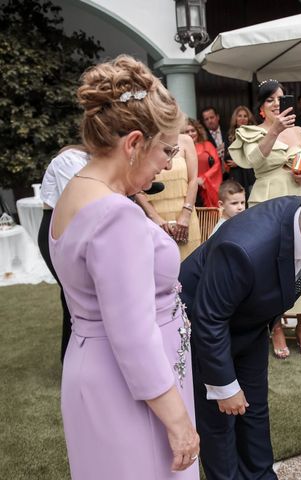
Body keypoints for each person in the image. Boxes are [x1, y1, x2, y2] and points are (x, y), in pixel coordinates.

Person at [49, 55, 199, 479]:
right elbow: (131, 334)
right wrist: (178, 422)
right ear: (133, 143)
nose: (169, 165)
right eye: (166, 150)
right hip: (131, 392)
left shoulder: (74, 193)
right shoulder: (118, 215)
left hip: (94, 372)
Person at [179, 178, 301, 480]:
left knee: (254, 411)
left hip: (252, 323)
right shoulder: (243, 249)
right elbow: (209, 319)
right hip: (204, 330)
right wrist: (224, 386)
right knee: (220, 420)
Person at [229, 79, 301, 359]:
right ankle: (276, 324)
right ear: (261, 107)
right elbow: (255, 162)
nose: (277, 103)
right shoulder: (250, 132)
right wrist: (276, 130)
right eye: (270, 100)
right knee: (269, 263)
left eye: (281, 98)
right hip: (266, 198)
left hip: (296, 197)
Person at [38, 145, 88, 363]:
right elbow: (81, 207)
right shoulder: (70, 159)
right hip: (60, 228)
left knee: (72, 298)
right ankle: (73, 360)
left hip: (79, 228)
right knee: (75, 297)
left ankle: (70, 357)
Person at [136, 132, 202, 260]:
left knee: (190, 266)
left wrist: (186, 215)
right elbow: (136, 186)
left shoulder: (186, 140)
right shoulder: (144, 142)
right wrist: (154, 217)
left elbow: (193, 180)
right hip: (154, 217)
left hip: (186, 217)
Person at [184, 117, 223, 207]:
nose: (190, 134)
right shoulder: (181, 149)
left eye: (193, 130)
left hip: (206, 188)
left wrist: (203, 178)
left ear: (198, 131)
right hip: (188, 188)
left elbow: (217, 164)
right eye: (187, 131)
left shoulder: (207, 145)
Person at [225, 105, 257, 198]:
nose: (242, 118)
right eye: (239, 116)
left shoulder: (254, 133)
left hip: (250, 174)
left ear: (249, 118)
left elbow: (255, 155)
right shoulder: (230, 135)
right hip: (237, 175)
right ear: (235, 118)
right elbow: (227, 158)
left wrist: (239, 162)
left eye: (245, 116)